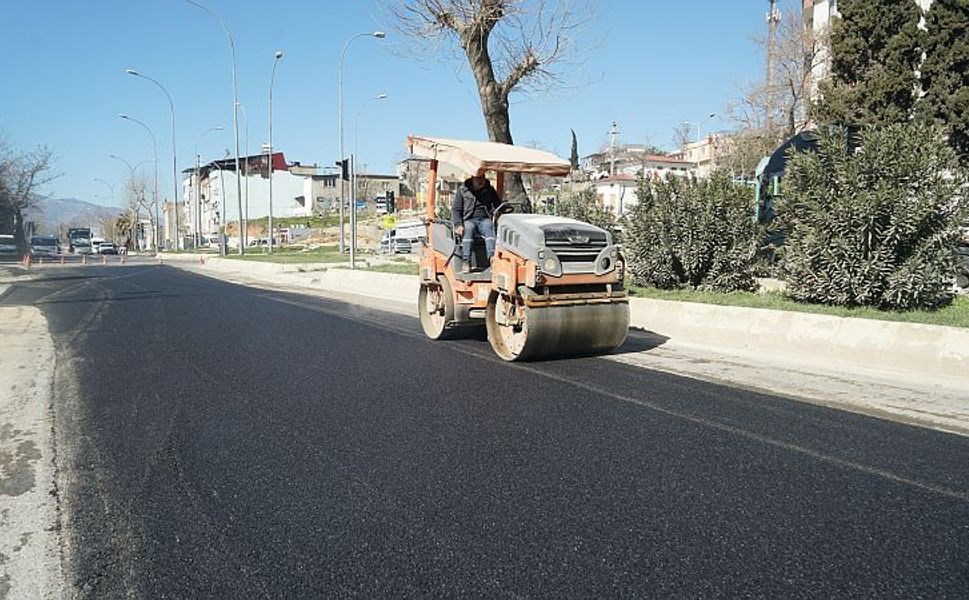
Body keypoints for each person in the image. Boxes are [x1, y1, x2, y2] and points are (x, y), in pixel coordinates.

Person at [452, 173, 501, 273]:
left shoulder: (489, 190)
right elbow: (456, 209)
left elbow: (498, 205)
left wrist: (499, 212)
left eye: (483, 178)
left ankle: (492, 259)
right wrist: (458, 225)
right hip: (469, 219)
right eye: (478, 178)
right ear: (472, 178)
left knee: (489, 226)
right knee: (468, 228)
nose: (481, 181)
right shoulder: (463, 190)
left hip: (484, 219)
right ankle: (466, 261)